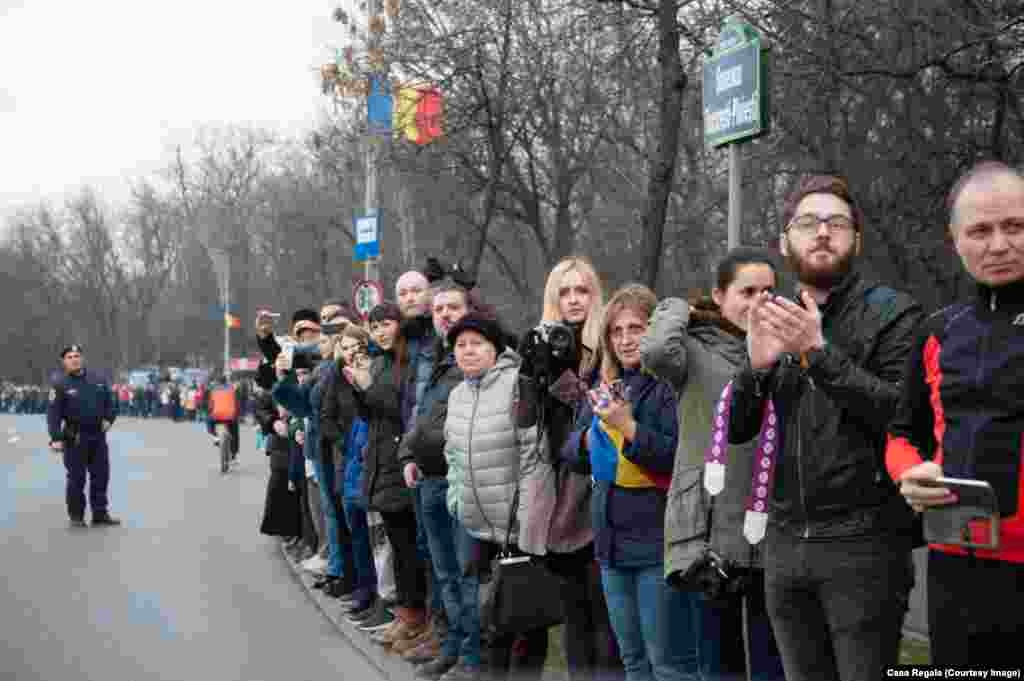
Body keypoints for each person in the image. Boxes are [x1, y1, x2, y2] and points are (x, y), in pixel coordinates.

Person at [727, 174, 924, 681]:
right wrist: (755, 370)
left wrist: (817, 354)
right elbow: (739, 431)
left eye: (836, 223)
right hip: (786, 543)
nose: (821, 233)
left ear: (856, 240)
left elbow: (901, 414)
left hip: (864, 544)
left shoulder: (893, 313)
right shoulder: (774, 315)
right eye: (807, 223)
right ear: (784, 242)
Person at [885, 161, 1024, 668]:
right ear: (955, 240)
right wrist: (908, 473)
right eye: (981, 231)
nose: (999, 244)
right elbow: (902, 436)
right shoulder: (937, 331)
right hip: (956, 567)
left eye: (1015, 226)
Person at [641, 247, 785, 681]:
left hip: (771, 522)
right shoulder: (694, 349)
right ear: (719, 296)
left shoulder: (785, 350)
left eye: (768, 291)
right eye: (747, 291)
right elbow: (656, 353)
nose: (759, 300)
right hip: (710, 529)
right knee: (718, 659)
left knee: (771, 661)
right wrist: (676, 307)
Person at [562, 284, 694, 681]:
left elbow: (678, 455)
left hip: (656, 542)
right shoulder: (608, 385)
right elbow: (571, 453)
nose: (625, 339)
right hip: (610, 543)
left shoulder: (670, 385)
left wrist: (628, 428)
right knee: (632, 658)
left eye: (635, 328)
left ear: (653, 331)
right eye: (616, 332)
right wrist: (589, 438)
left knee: (667, 663)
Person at [517, 255, 621, 681]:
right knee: (575, 616)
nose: (574, 300)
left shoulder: (610, 346)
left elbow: (601, 412)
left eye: (583, 290)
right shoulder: (544, 342)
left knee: (606, 618)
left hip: (597, 490)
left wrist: (562, 376)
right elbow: (523, 419)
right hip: (558, 493)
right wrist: (529, 371)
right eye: (565, 291)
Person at [443, 314, 543, 681]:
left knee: (525, 622)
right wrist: (457, 499)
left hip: (517, 527)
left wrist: (528, 514)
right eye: (461, 345)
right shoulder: (457, 395)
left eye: (477, 343)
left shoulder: (517, 385)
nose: (468, 351)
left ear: (495, 348)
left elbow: (533, 454)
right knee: (490, 618)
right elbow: (452, 454)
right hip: (475, 526)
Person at [396, 280, 476, 678]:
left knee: (465, 572)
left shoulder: (475, 353)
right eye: (439, 308)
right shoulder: (434, 356)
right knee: (444, 572)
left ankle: (472, 656)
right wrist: (408, 453)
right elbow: (420, 414)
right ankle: (453, 645)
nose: (445, 314)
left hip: (459, 479)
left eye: (453, 308)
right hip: (428, 478)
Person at [349, 301, 428, 643]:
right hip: (382, 461)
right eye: (375, 326)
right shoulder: (380, 361)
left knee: (408, 547)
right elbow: (372, 414)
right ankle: (406, 614)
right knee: (398, 545)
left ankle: (415, 617)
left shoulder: (407, 361)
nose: (381, 331)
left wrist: (368, 387)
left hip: (401, 464)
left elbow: (399, 409)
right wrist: (359, 389)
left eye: (386, 324)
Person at [46, 345, 121, 529]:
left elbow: (111, 403)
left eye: (77, 355)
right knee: (76, 478)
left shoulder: (98, 379)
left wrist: (109, 419)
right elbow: (53, 414)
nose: (74, 359)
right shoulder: (60, 383)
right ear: (64, 361)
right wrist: (56, 437)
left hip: (98, 435)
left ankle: (100, 514)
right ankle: (76, 515)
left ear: (82, 358)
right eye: (70, 356)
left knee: (101, 476)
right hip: (75, 437)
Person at [207, 376, 241, 462]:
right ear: (226, 381)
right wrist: (237, 414)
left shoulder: (213, 390)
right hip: (230, 416)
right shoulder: (232, 389)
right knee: (235, 434)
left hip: (216, 416)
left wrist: (210, 411)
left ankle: (215, 436)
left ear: (218, 382)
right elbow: (237, 404)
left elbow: (210, 405)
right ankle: (234, 455)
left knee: (208, 420)